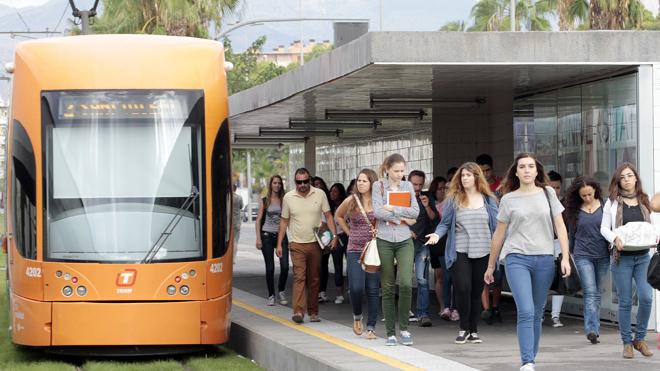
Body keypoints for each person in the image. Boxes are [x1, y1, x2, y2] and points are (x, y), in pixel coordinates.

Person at [484, 153, 571, 371]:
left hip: (544, 258)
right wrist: (491, 265)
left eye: (531, 166)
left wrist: (566, 257)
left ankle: (531, 356)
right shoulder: (508, 198)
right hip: (516, 258)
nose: (526, 170)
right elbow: (499, 235)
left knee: (538, 311)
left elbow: (560, 226)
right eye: (522, 166)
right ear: (516, 172)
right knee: (526, 310)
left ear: (536, 170)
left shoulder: (548, 193)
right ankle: (527, 361)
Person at [426, 162, 498, 344]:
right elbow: (444, 223)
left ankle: (473, 330)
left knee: (476, 291)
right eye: (463, 175)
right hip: (459, 250)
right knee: (463, 287)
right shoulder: (454, 199)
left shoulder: (488, 200)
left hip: (483, 250)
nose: (465, 178)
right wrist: (436, 234)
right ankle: (463, 328)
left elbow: (498, 227)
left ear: (476, 177)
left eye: (469, 175)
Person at [600, 162, 655, 359]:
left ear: (636, 178)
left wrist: (656, 236)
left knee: (647, 297)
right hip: (621, 258)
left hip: (643, 257)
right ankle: (626, 343)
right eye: (622, 177)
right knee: (625, 301)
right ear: (618, 181)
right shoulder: (612, 202)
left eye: (630, 176)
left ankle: (639, 339)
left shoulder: (644, 199)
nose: (626, 180)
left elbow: (652, 224)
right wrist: (615, 238)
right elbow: (604, 228)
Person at [277, 168, 338, 324]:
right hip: (296, 243)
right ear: (295, 181)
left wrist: (334, 236)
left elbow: (329, 216)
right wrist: (279, 244)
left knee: (314, 279)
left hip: (315, 243)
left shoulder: (320, 194)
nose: (302, 185)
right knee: (299, 277)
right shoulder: (288, 197)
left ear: (309, 180)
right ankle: (298, 311)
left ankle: (313, 312)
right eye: (299, 182)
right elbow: (284, 221)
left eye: (305, 181)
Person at [373, 153, 420, 346]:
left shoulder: (408, 186)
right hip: (384, 239)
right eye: (396, 171)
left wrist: (392, 208)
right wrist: (402, 216)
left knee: (407, 283)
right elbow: (377, 211)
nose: (400, 174)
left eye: (402, 170)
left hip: (403, 238)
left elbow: (415, 212)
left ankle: (405, 328)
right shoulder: (379, 186)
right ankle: (391, 332)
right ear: (387, 169)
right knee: (388, 285)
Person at [563, 176, 609, 344]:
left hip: (603, 255)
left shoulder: (605, 207)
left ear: (595, 190)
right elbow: (571, 235)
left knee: (597, 293)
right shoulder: (575, 210)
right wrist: (569, 254)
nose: (587, 198)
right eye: (584, 195)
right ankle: (592, 329)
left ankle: (594, 326)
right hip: (583, 255)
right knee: (590, 292)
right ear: (579, 195)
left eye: (590, 194)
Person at [335, 169, 380, 339]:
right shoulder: (351, 200)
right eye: (359, 180)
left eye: (364, 181)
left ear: (372, 183)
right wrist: (348, 232)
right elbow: (338, 216)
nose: (360, 183)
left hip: (373, 249)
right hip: (354, 248)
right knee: (356, 287)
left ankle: (371, 327)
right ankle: (357, 316)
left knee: (373, 289)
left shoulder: (379, 201)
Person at [476, 154, 504, 324]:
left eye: (487, 170)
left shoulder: (501, 184)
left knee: (498, 275)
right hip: (481, 235)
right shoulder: (476, 186)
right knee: (483, 273)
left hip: (499, 233)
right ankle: (486, 309)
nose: (485, 174)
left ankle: (495, 306)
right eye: (482, 171)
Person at [408, 170, 438, 327]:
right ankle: (404, 311)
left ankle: (423, 313)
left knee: (422, 279)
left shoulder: (427, 197)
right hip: (405, 244)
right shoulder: (401, 197)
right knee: (405, 280)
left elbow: (434, 218)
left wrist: (427, 206)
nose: (417, 188)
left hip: (423, 244)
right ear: (408, 183)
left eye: (420, 184)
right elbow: (393, 218)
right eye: (414, 184)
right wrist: (406, 230)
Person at [255, 175, 289, 306]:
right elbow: (258, 220)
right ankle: (271, 295)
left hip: (281, 235)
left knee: (285, 267)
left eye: (279, 183)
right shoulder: (265, 200)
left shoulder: (285, 200)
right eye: (275, 183)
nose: (277, 185)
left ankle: (281, 291)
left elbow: (288, 219)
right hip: (267, 235)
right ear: (271, 185)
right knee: (270, 268)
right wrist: (258, 238)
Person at [428, 176, 457, 320]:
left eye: (447, 188)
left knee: (456, 279)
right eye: (442, 188)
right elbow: (439, 222)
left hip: (456, 245)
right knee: (445, 277)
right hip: (441, 245)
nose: (445, 191)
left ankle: (455, 308)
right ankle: (446, 307)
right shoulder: (436, 205)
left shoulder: (457, 204)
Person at [319, 182, 348, 304]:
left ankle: (352, 288)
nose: (332, 194)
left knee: (351, 265)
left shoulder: (346, 206)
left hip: (346, 237)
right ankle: (339, 294)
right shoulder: (328, 209)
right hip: (334, 238)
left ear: (341, 193)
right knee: (337, 266)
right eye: (331, 191)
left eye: (335, 191)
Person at [546, 170, 565, 328]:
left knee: (560, 281)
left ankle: (555, 316)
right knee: (542, 280)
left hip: (559, 245)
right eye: (552, 187)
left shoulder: (564, 205)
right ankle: (539, 314)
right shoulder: (540, 204)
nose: (555, 191)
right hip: (542, 245)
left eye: (558, 187)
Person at [232, 183, 244, 262]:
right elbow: (241, 206)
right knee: (235, 241)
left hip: (228, 222)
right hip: (236, 222)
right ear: (235, 189)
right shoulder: (239, 198)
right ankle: (233, 259)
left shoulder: (227, 197)